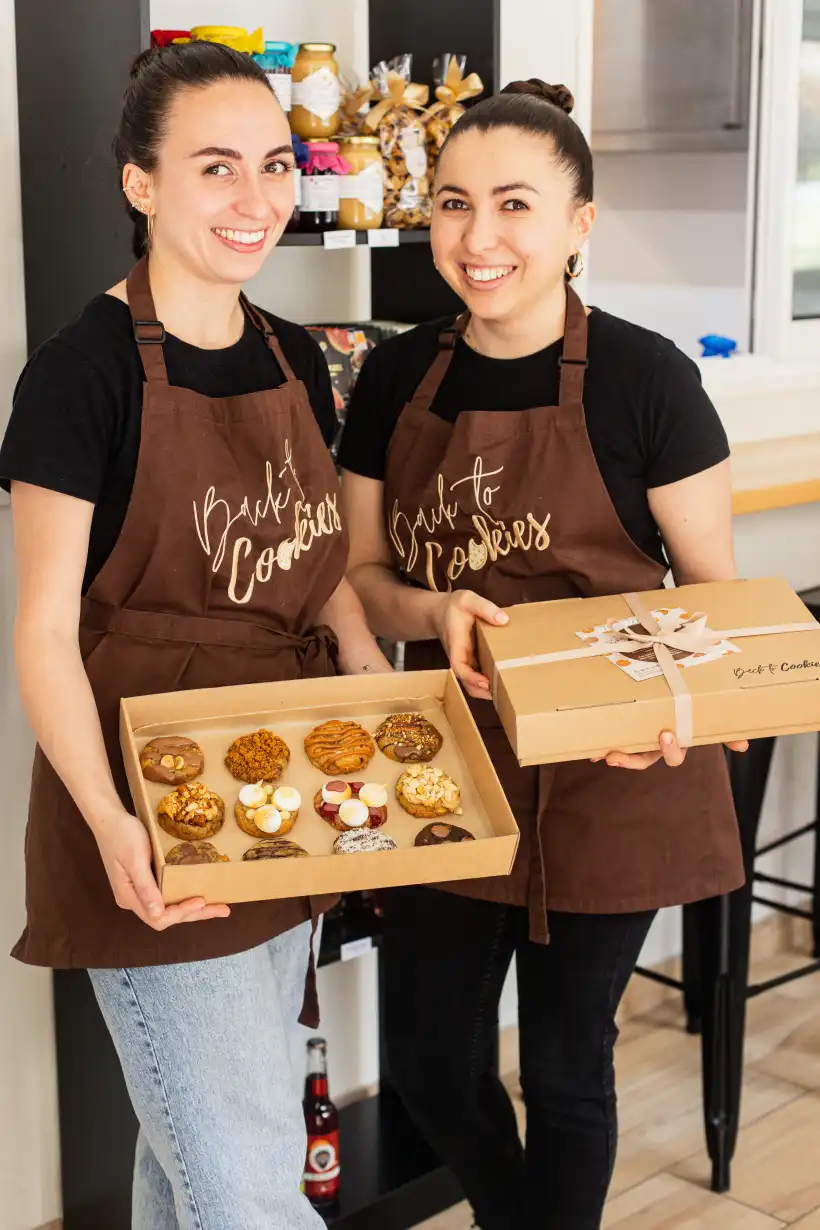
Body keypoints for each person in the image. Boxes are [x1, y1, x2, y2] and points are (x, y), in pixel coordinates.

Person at [338, 79, 748, 1230]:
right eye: (452, 204)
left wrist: (676, 712)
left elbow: (714, 601)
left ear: (579, 223)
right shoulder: (394, 377)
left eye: (514, 205)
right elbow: (362, 577)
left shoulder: (646, 380)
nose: (478, 237)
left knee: (567, 1068)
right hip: (447, 758)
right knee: (428, 1060)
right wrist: (432, 609)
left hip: (615, 769)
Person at [1, 43, 391, 1230]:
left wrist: (373, 691)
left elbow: (315, 567)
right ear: (141, 184)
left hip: (278, 788)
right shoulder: (80, 378)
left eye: (273, 164)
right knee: (246, 1185)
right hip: (151, 809)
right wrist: (112, 821)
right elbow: (43, 634)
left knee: (196, 1155)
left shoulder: (292, 355)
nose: (254, 198)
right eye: (215, 166)